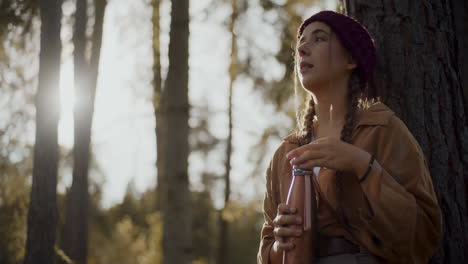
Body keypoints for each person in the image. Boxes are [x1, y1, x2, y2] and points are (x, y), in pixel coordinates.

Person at [257, 10, 442, 264]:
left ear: (351, 59)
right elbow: (267, 252)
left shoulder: (383, 130)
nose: (302, 50)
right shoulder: (285, 154)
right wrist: (282, 243)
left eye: (319, 39)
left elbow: (422, 237)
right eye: (300, 43)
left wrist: (362, 165)